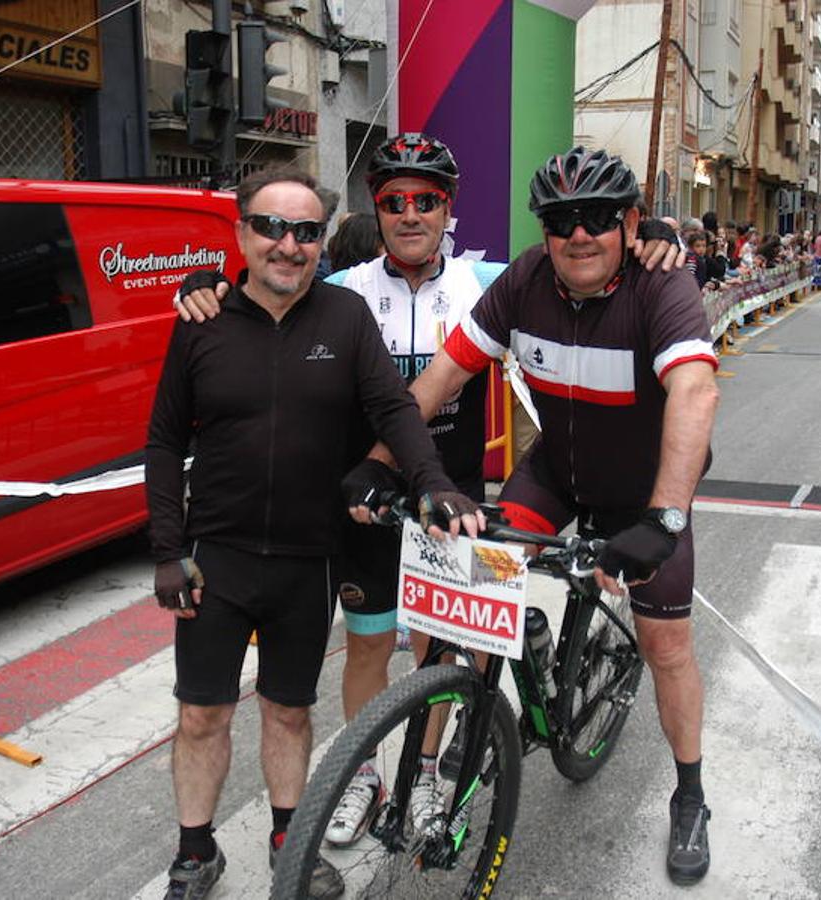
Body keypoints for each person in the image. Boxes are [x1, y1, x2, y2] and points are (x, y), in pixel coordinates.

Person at [170, 134, 684, 844]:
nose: (411, 214)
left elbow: (581, 254)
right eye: (393, 201)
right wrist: (208, 281)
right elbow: (270, 283)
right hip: (369, 500)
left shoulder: (489, 281)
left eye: (427, 200)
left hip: (453, 498)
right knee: (368, 648)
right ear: (374, 210)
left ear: (449, 208)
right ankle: (364, 777)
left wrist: (651, 235)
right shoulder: (344, 291)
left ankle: (424, 771)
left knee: (440, 653)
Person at [349, 147, 719, 886]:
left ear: (629, 223)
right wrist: (381, 463)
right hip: (555, 474)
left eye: (596, 219)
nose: (577, 235)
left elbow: (695, 393)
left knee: (666, 644)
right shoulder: (523, 280)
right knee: (477, 587)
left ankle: (690, 793)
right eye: (559, 221)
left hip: (641, 492)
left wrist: (665, 520)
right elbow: (442, 375)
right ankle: (485, 706)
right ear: (542, 230)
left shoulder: (659, 285)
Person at [145, 167, 481, 900]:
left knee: (289, 711)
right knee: (201, 713)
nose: (287, 245)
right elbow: (166, 440)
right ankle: (196, 852)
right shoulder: (202, 319)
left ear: (320, 242)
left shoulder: (343, 316)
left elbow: (395, 412)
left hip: (308, 558)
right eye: (270, 227)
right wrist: (167, 550)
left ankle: (288, 840)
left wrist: (434, 483)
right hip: (216, 557)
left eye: (304, 232)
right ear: (241, 235)